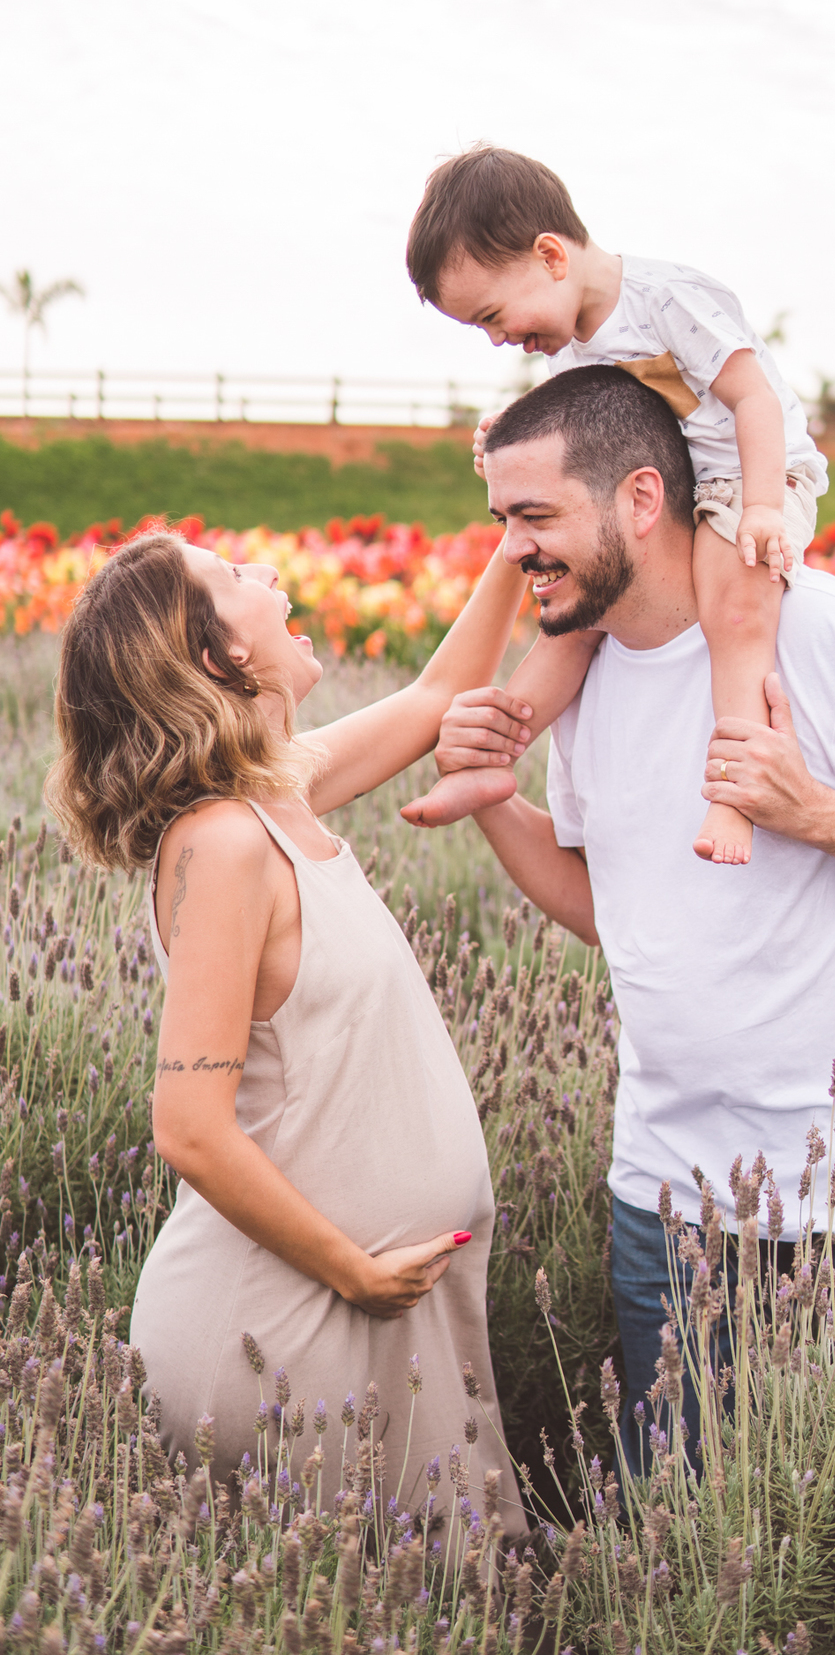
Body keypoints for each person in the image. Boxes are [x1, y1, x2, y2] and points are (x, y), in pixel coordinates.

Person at [423, 365, 835, 1473]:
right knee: (683, 1524)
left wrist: (819, 816)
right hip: (669, 1202)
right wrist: (493, 806)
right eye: (500, 520)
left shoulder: (826, 634)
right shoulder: (582, 674)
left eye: (535, 518)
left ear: (643, 500)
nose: (511, 552)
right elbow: (621, 914)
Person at [44, 529, 529, 1537]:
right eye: (235, 579)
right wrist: (351, 1268)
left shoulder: (273, 795)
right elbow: (187, 1127)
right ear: (220, 658)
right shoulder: (224, 845)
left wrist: (523, 544)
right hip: (294, 1323)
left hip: (367, 1316)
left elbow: (440, 694)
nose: (269, 579)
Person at [401, 144, 829, 866]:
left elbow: (754, 399)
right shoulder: (567, 345)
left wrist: (760, 508)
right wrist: (500, 439)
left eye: (493, 315)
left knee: (737, 613)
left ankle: (735, 794)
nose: (500, 337)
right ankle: (489, 764)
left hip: (750, 477)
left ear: (551, 256)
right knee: (577, 622)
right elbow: (576, 430)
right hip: (664, 494)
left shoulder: (671, 300)